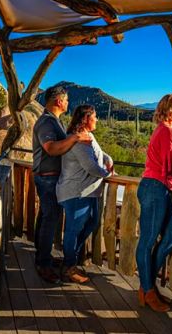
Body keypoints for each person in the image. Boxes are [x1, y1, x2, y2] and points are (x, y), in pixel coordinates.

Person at [32, 86, 92, 284]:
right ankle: (43, 264)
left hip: (50, 177)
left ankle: (42, 257)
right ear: (59, 101)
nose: (67, 103)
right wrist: (75, 137)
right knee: (51, 219)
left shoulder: (52, 121)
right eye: (66, 100)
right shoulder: (47, 123)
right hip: (47, 177)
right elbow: (50, 148)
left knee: (46, 217)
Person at [135, 93, 172, 312]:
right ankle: (148, 291)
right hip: (155, 188)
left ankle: (146, 285)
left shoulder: (168, 131)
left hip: (161, 189)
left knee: (171, 237)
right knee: (147, 242)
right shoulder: (166, 131)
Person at [58, 105, 113, 283]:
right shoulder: (78, 140)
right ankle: (68, 266)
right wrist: (108, 174)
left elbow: (98, 153)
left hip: (87, 192)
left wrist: (108, 159)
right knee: (73, 229)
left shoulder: (88, 136)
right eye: (94, 117)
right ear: (86, 119)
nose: (97, 120)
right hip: (76, 192)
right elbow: (90, 166)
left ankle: (70, 258)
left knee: (91, 223)